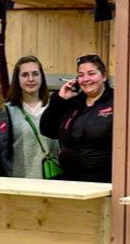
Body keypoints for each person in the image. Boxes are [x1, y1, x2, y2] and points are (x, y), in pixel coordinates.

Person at [40, 54, 116, 182]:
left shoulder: (116, 101)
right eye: (81, 75)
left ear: (103, 76)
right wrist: (59, 100)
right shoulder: (73, 102)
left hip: (104, 180)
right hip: (71, 178)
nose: (86, 79)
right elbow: (47, 130)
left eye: (91, 73)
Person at [7, 56, 60, 179]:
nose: (31, 79)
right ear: (17, 79)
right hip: (19, 182)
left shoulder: (55, 107)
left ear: (41, 76)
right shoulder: (7, 111)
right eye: (25, 75)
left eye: (35, 74)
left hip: (52, 181)